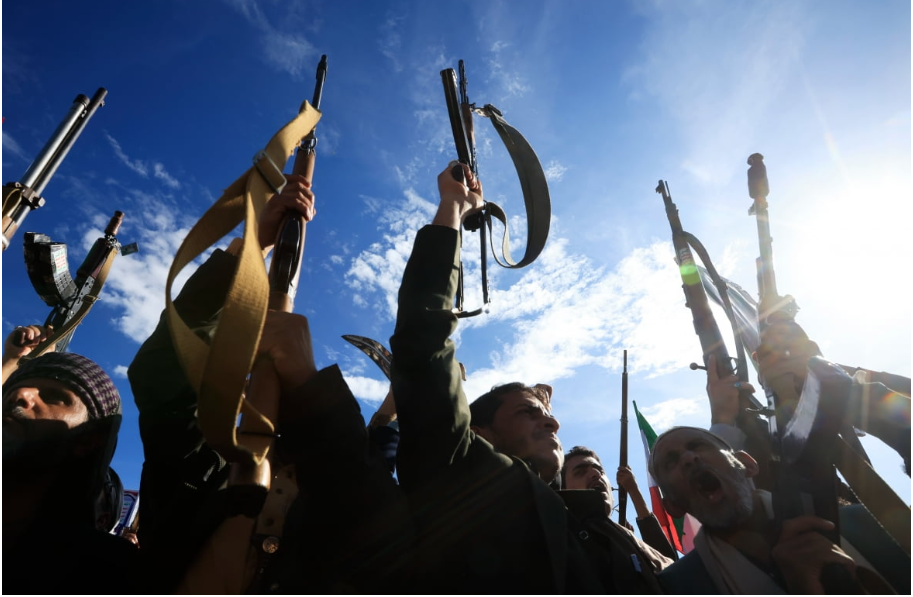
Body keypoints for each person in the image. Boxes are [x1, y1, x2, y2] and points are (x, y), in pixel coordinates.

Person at [389, 161, 665, 594]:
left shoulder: (595, 531)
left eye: (546, 415)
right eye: (526, 413)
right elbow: (422, 342)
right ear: (480, 433)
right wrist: (453, 209)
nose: (553, 422)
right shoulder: (468, 483)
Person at [128, 174, 412, 594]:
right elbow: (161, 375)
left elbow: (375, 506)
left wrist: (309, 385)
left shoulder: (338, 490)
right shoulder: (201, 467)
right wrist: (252, 248)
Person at [650, 425, 906, 594]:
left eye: (697, 445)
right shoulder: (680, 585)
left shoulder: (863, 523)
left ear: (746, 464)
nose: (688, 458)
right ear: (673, 507)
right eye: (671, 462)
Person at [2, 351, 139, 594]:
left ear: (89, 439)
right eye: (10, 389)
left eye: (54, 396)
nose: (20, 394)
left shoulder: (104, 571)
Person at [562, 445, 678, 560]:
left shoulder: (627, 540)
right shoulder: (560, 542)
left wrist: (633, 491)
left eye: (600, 470)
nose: (596, 474)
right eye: (580, 472)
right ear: (561, 488)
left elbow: (668, 565)